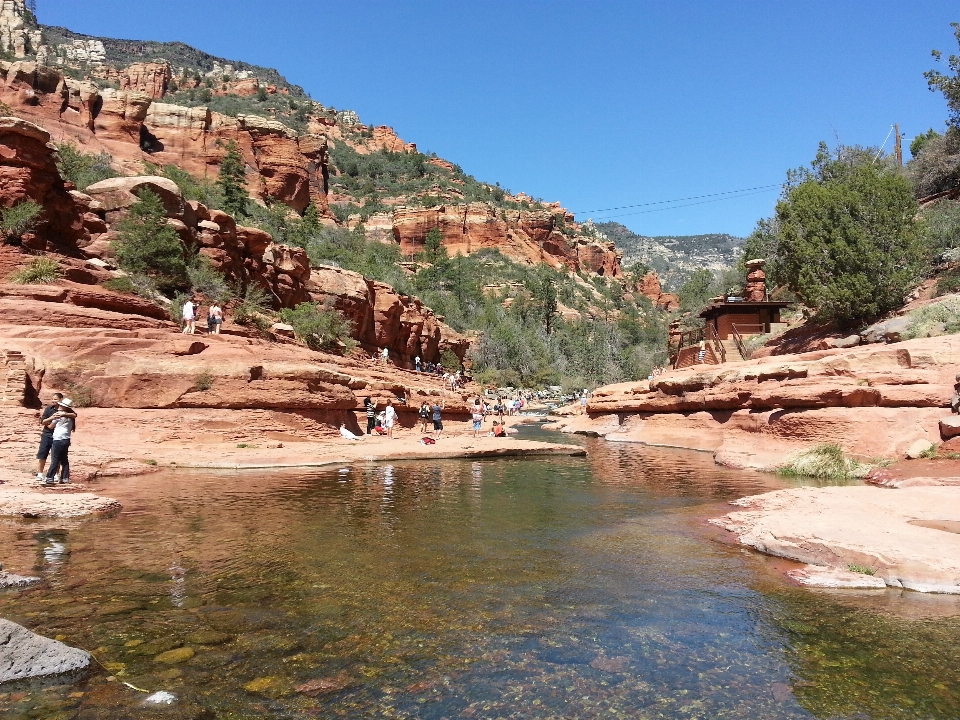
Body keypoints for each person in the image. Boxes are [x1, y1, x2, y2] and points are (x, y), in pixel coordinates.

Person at [36, 392, 72, 481]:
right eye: (53, 399)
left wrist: (49, 422)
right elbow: (43, 420)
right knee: (43, 454)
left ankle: (53, 475)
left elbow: (74, 415)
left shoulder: (63, 412)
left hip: (57, 437)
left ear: (60, 400)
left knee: (56, 457)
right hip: (49, 435)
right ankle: (40, 473)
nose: (53, 401)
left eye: (55, 399)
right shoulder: (49, 409)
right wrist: (49, 421)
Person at [43, 398, 75, 485]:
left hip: (58, 439)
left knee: (55, 459)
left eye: (60, 405)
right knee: (64, 459)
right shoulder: (70, 416)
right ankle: (65, 478)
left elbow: (51, 427)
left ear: (63, 407)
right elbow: (74, 415)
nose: (59, 406)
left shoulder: (58, 415)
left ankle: (50, 478)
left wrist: (46, 422)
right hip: (66, 438)